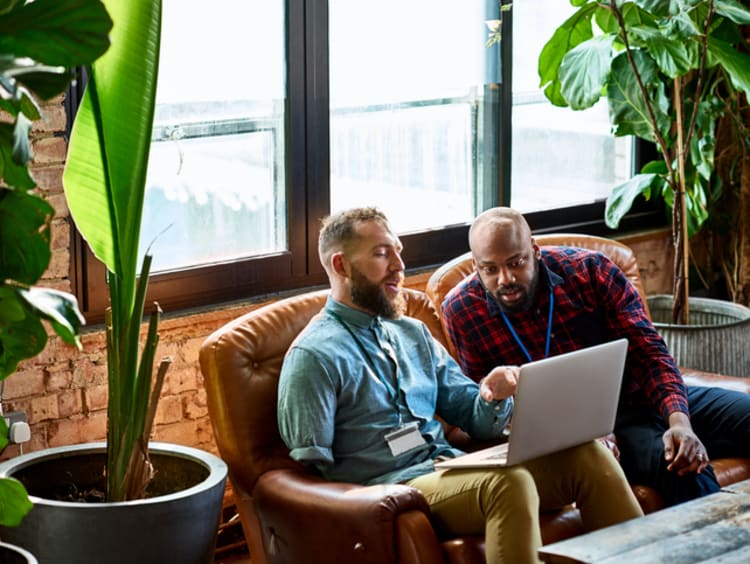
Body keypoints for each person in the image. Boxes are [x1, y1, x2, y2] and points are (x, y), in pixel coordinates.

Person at [277, 207, 643, 564]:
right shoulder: (313, 355)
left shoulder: (413, 333)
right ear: (341, 265)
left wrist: (493, 393)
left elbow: (475, 416)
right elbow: (312, 468)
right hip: (388, 488)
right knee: (508, 484)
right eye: (382, 254)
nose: (399, 267)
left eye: (398, 253)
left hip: (448, 469)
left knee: (588, 455)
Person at [441, 206, 750, 508]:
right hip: (587, 429)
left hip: (640, 396)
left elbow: (649, 354)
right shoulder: (461, 311)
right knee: (681, 466)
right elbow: (491, 414)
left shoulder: (591, 272)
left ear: (534, 250)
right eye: (490, 269)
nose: (505, 279)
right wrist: (578, 437)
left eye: (516, 262)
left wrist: (680, 421)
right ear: (475, 265)